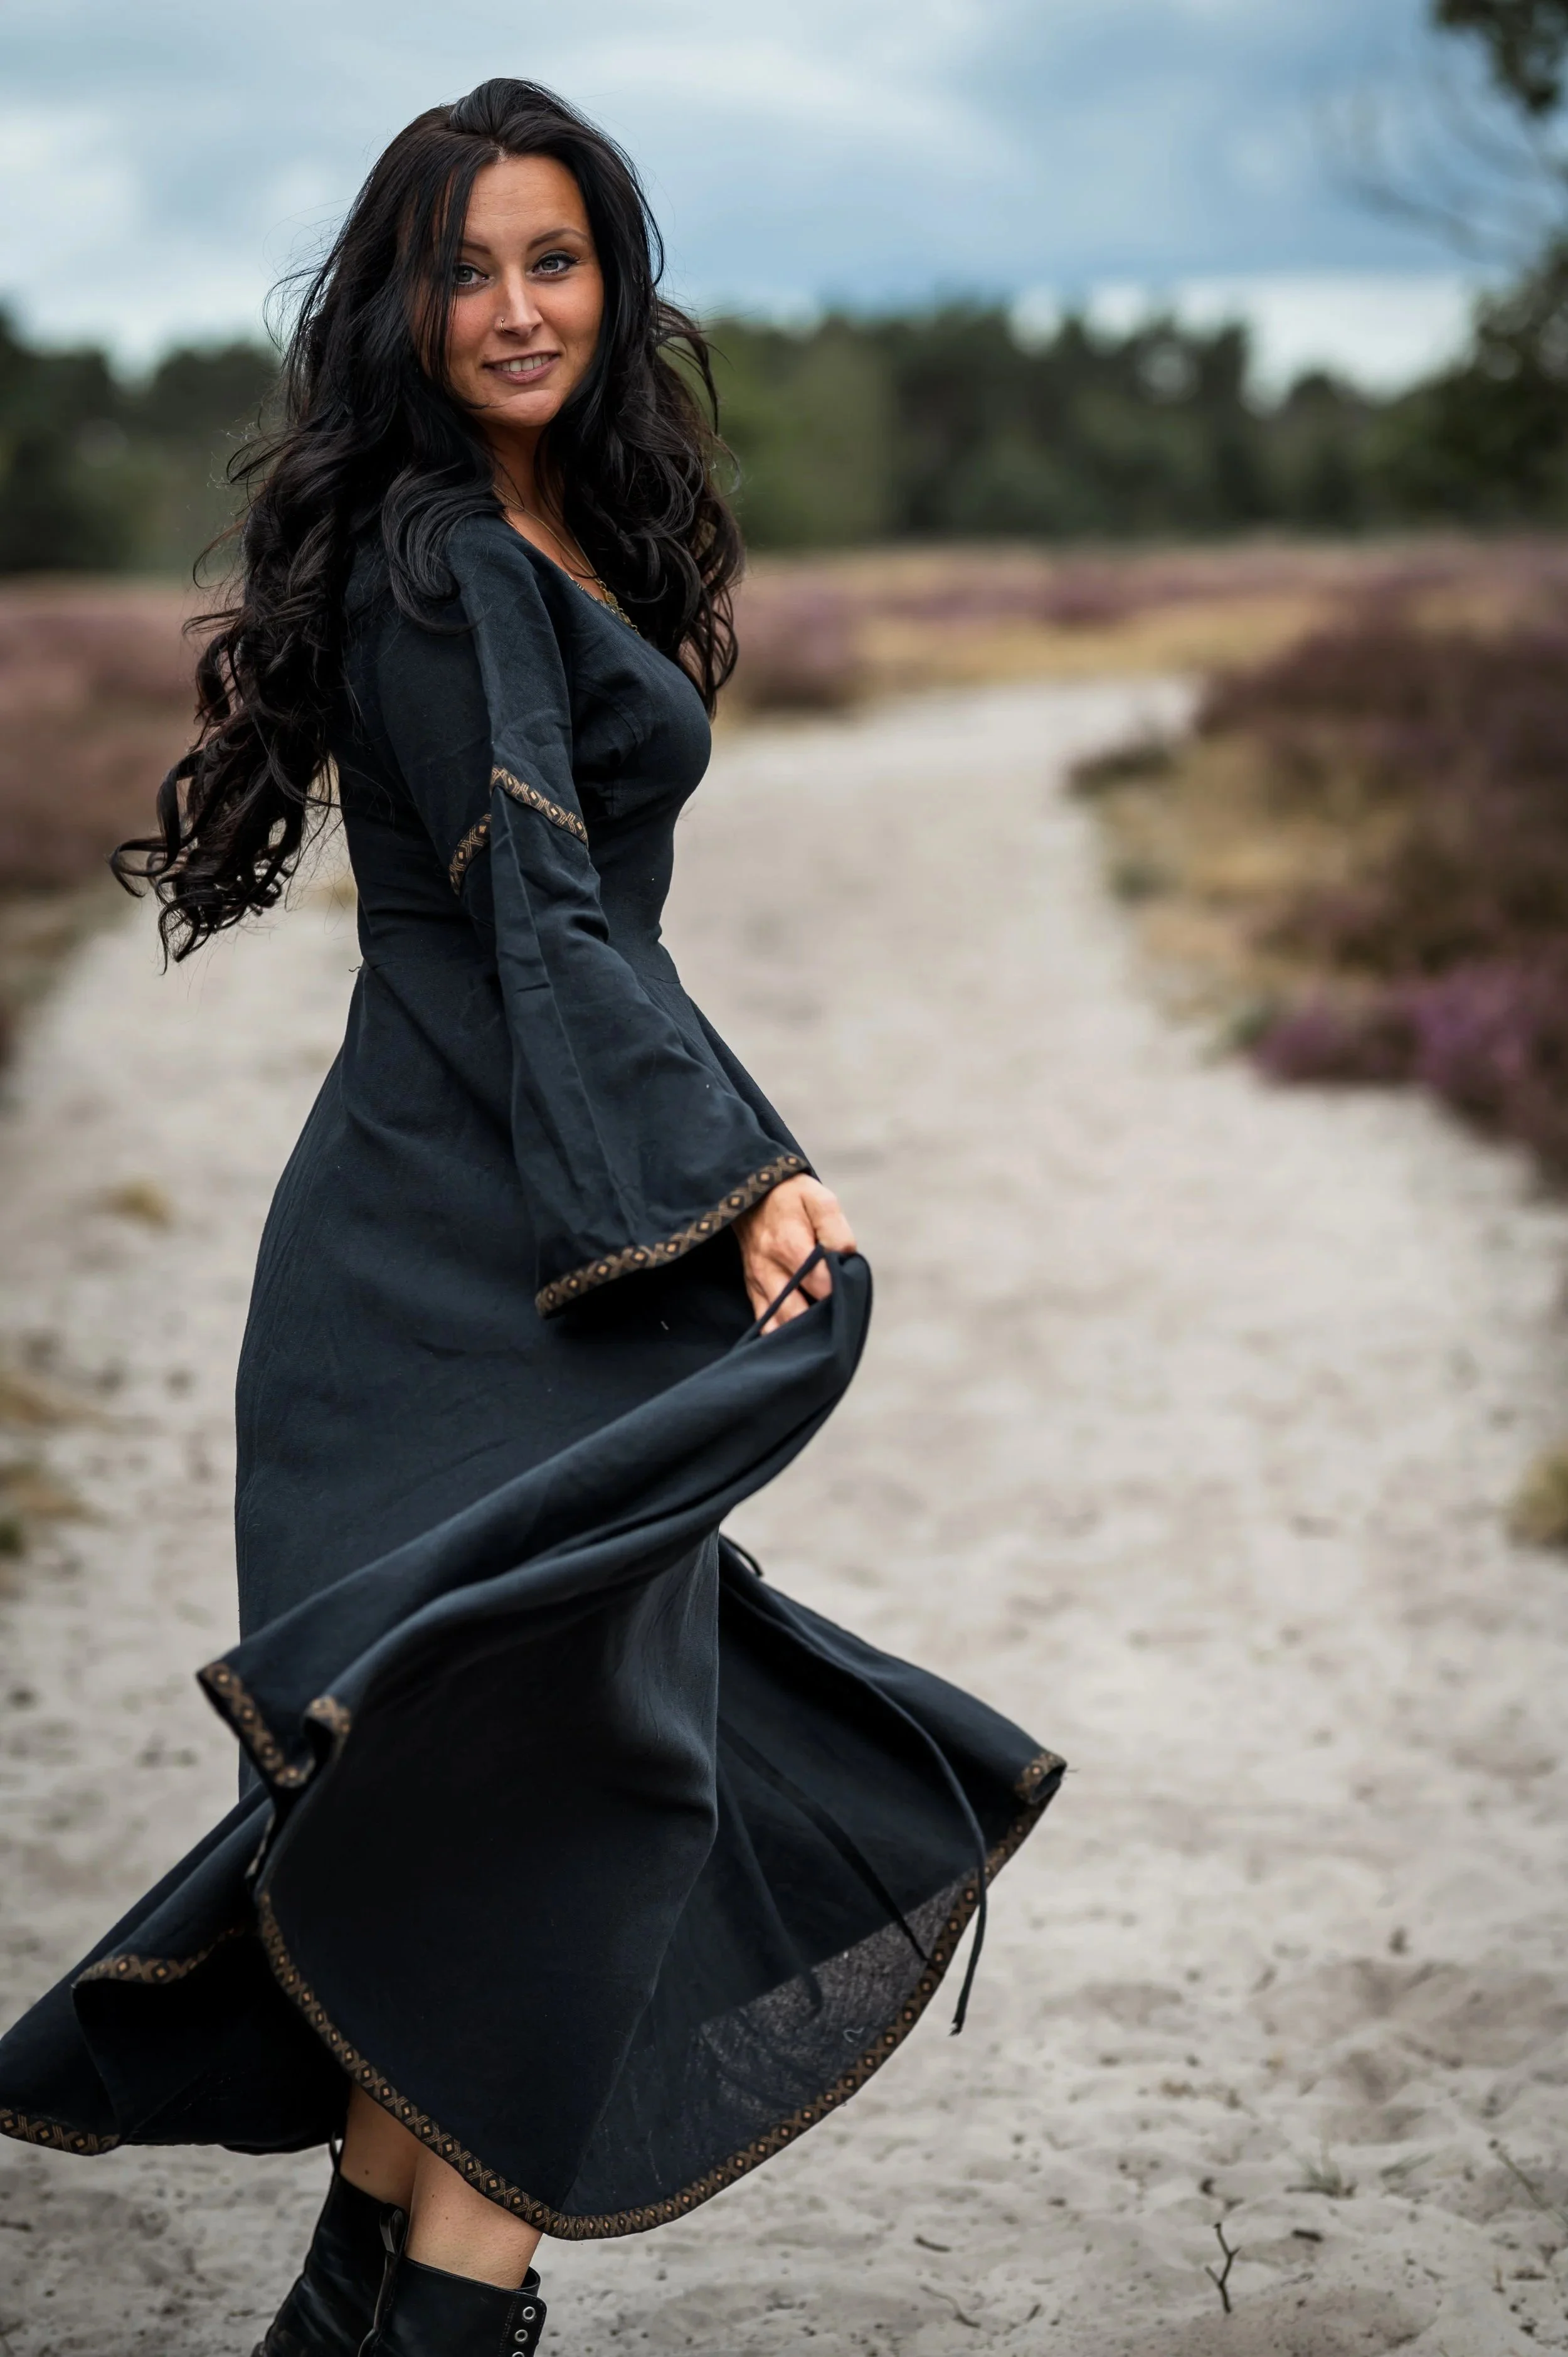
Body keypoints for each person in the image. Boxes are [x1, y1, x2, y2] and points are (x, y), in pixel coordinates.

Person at [0, 79, 1062, 2356]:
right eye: (463, 267)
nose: (511, 307)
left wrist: (734, 1156)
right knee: (555, 1833)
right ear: (399, 302)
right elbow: (538, 928)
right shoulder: (442, 561)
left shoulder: (550, 531)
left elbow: (604, 947)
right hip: (436, 1271)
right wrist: (738, 1176)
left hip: (555, 1224)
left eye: (552, 259)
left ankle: (355, 2319)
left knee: (498, 1826)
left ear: (613, 279)